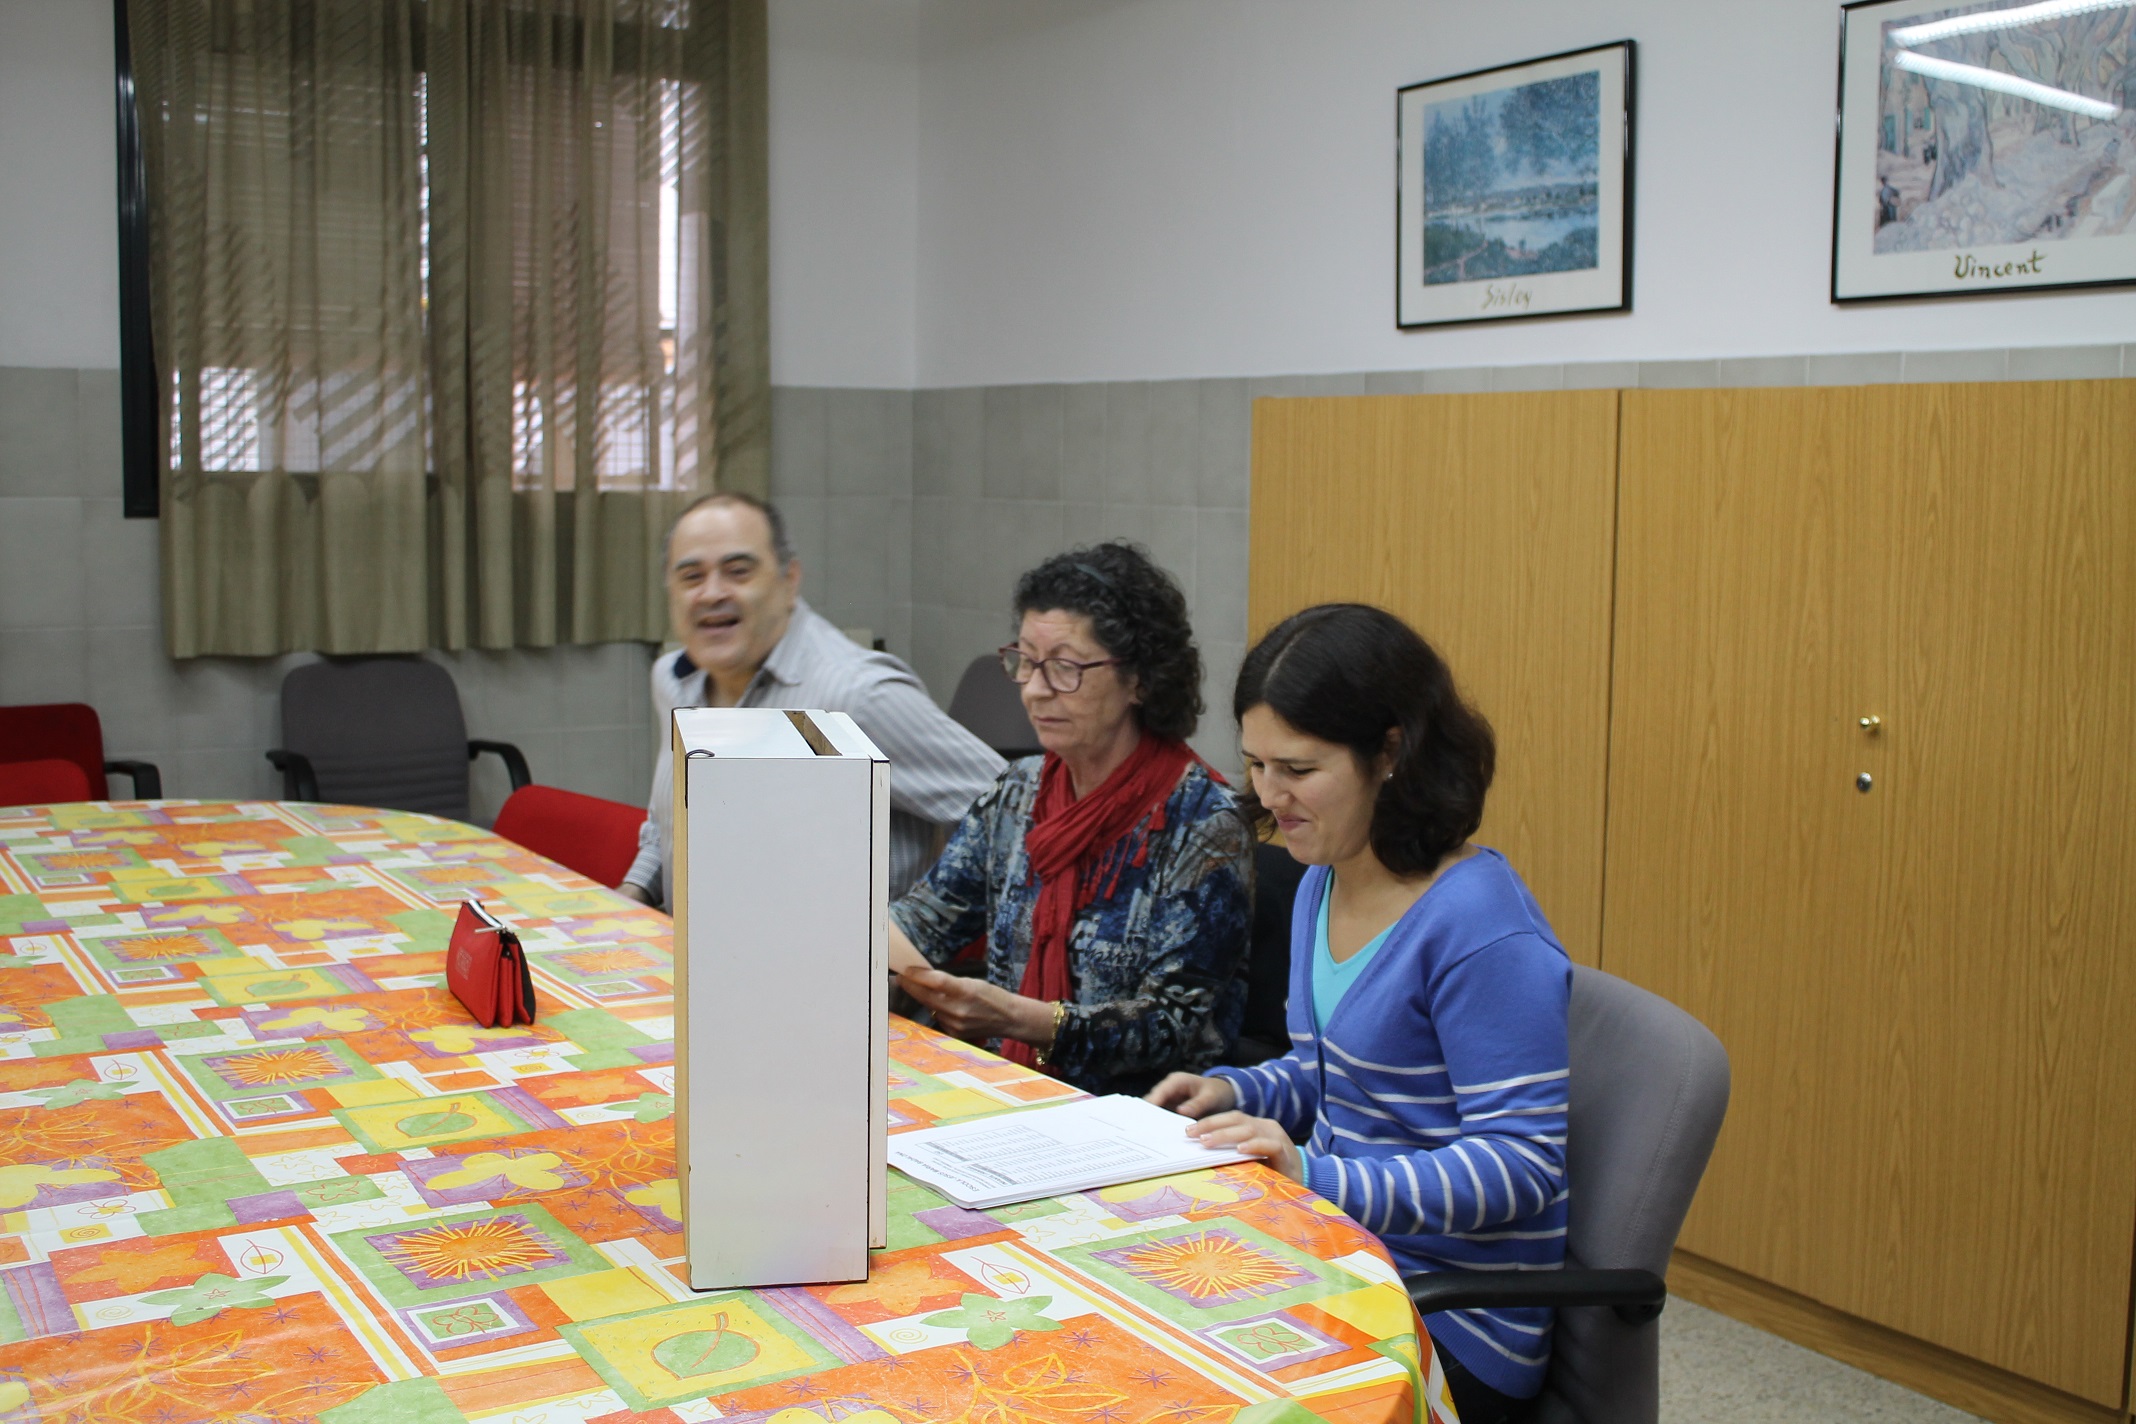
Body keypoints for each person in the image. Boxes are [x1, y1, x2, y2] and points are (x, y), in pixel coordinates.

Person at [1147, 604, 1571, 1424]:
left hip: (1453, 1320)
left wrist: (1316, 1174)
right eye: (1257, 765)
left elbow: (1522, 1165)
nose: (1272, 795)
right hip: (1343, 1253)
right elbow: (1332, 1071)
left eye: (1299, 771)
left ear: (1390, 753)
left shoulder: (1480, 929)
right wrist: (1234, 1094)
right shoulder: (1325, 876)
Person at [888, 542, 1252, 1095]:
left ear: (1140, 679)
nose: (1034, 690)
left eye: (1064, 668)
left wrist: (1022, 1020)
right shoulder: (1018, 793)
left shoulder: (1203, 823)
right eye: (1027, 662)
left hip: (1144, 1115)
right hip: (1007, 1087)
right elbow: (925, 921)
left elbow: (1172, 1026)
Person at [619, 492, 1004, 909]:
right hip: (687, 957)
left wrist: (922, 928)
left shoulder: (853, 696)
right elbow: (669, 822)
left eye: (738, 571)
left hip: (831, 971)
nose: (712, 593)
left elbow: (1019, 817)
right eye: (691, 576)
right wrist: (631, 895)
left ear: (789, 580)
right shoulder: (674, 682)